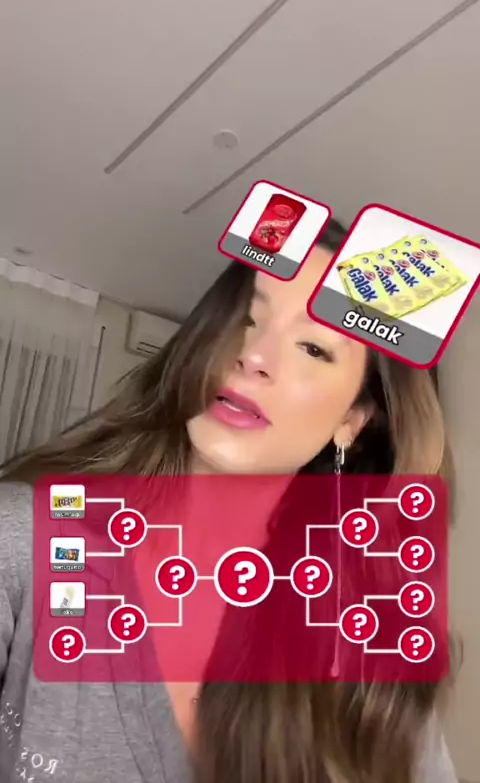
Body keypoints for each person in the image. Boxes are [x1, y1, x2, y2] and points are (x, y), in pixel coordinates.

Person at [0, 218, 458, 783]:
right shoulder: (30, 541)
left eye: (313, 348)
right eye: (245, 319)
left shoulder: (371, 652)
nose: (254, 356)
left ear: (353, 421)